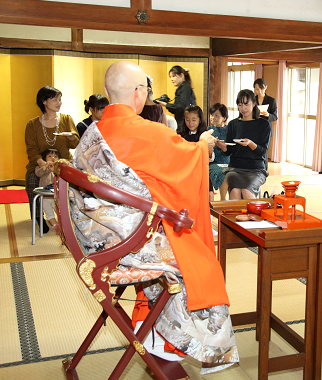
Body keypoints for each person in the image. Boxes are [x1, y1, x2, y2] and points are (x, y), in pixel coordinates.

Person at [73, 60, 237, 370]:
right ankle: (165, 339)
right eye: (146, 91)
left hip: (97, 236)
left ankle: (146, 323)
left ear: (108, 93)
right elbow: (186, 161)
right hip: (131, 243)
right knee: (197, 257)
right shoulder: (144, 133)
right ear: (139, 93)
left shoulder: (92, 132)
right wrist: (202, 145)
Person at [25, 86, 79, 232]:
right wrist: (42, 163)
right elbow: (31, 149)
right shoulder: (32, 124)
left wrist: (72, 136)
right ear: (44, 101)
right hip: (39, 164)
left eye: (60, 99)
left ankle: (72, 217)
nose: (59, 102)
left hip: (64, 163)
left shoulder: (66, 119)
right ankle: (38, 217)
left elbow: (75, 144)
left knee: (76, 181)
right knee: (31, 180)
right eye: (54, 99)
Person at [217, 90, 271, 200]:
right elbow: (228, 152)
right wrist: (223, 147)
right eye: (240, 105)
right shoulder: (233, 124)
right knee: (235, 190)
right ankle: (236, 216)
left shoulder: (264, 125)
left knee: (246, 190)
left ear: (254, 104)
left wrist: (250, 144)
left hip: (256, 169)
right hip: (235, 168)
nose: (243, 108)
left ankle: (252, 216)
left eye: (246, 104)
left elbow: (263, 151)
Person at [156, 65, 196, 131]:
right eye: (170, 77)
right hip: (183, 123)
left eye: (174, 76)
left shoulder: (185, 88)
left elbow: (182, 107)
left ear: (181, 75)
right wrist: (166, 104)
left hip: (185, 124)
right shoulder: (182, 88)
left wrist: (166, 104)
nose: (171, 79)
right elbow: (177, 109)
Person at [34, 148, 60, 234]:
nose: (53, 158)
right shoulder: (40, 168)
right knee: (49, 214)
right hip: (44, 197)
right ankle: (56, 227)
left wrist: (54, 168)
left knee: (59, 212)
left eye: (55, 156)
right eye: (50, 156)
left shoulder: (57, 168)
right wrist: (45, 166)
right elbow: (38, 174)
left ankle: (64, 227)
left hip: (55, 196)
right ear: (44, 158)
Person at [208, 103, 230, 201]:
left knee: (228, 170)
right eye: (212, 115)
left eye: (217, 115)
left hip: (228, 161)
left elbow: (231, 149)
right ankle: (223, 199)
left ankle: (225, 199)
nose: (213, 117)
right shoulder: (209, 130)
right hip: (214, 162)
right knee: (222, 172)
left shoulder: (229, 130)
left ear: (224, 117)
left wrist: (222, 146)